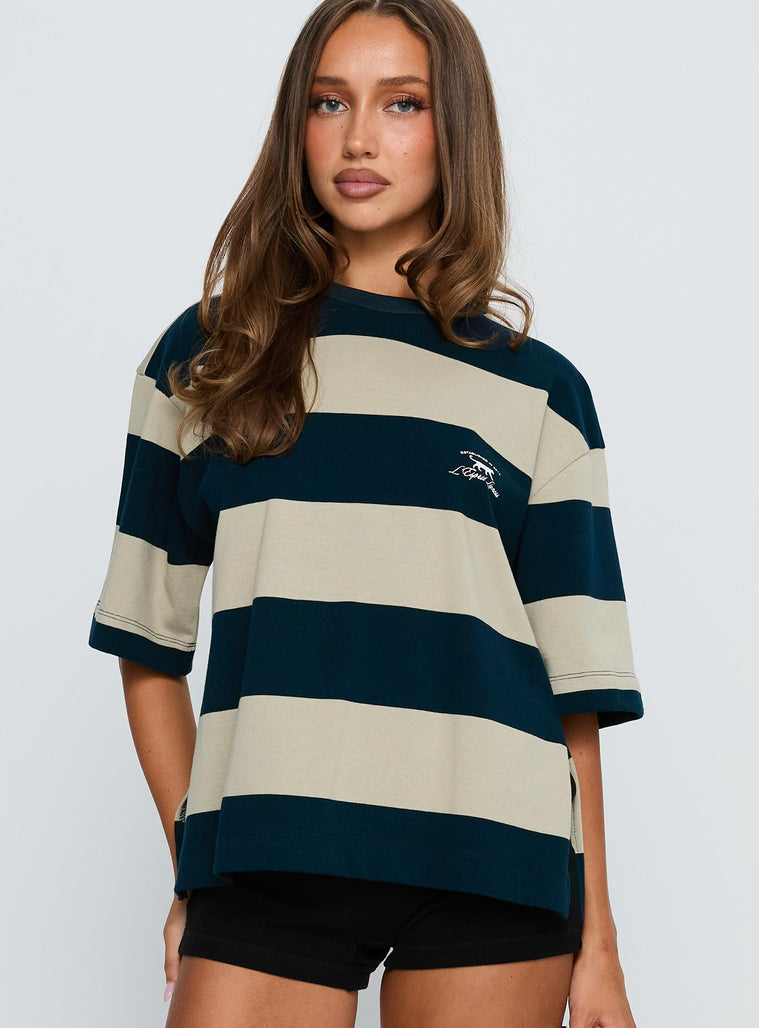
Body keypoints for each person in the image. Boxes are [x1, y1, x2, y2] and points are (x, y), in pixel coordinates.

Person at [87, 2, 644, 1025]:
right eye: (328, 102)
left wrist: (599, 942)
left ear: (454, 126)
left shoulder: (539, 392)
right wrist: (193, 861)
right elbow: (146, 645)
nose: (357, 138)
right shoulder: (207, 358)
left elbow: (575, 697)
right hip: (269, 851)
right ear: (295, 126)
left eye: (402, 103)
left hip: (493, 854)